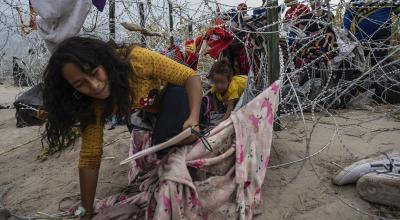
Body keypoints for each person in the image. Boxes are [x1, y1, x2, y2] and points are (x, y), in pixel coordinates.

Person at [42, 37, 203, 219]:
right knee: (153, 151)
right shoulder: (91, 104)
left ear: (105, 62)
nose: (94, 86)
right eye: (81, 84)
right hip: (147, 113)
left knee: (166, 144)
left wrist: (193, 117)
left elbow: (190, 76)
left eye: (95, 73)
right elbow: (90, 156)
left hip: (179, 94)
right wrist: (87, 211)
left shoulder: (136, 60)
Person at [343, 0, 400, 66]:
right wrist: (344, 31)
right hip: (361, 37)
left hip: (382, 35)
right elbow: (348, 14)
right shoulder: (356, 1)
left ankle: (377, 74)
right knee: (356, 64)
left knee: (379, 63)